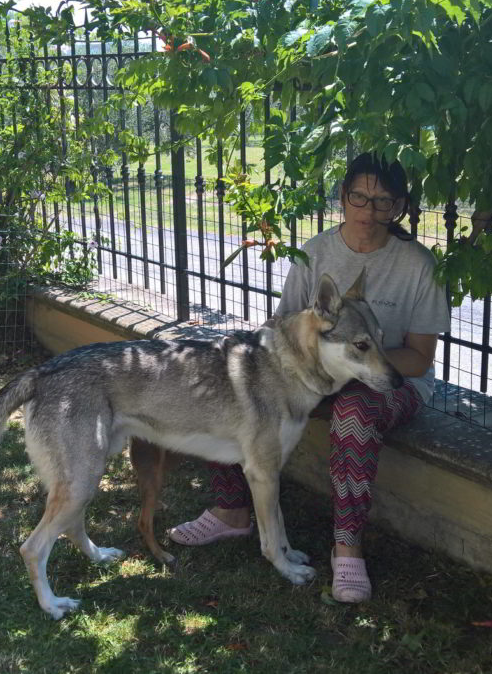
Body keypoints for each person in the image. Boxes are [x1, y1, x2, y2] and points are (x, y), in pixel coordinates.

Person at [168, 152, 451, 603]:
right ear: (342, 197)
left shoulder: (418, 264)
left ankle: (347, 547)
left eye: (382, 201)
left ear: (399, 206)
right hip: (312, 376)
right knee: (235, 385)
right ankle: (231, 510)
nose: (368, 210)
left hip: (391, 381)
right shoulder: (317, 251)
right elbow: (283, 323)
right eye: (359, 197)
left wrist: (355, 362)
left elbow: (418, 360)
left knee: (355, 414)